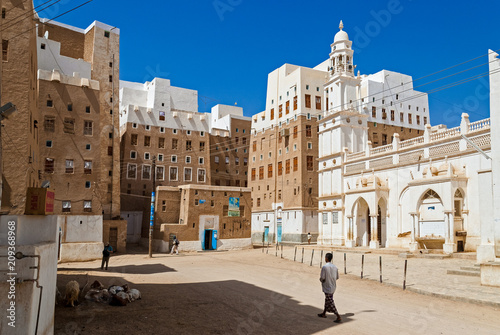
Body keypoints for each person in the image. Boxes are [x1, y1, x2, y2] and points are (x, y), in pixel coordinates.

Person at [318, 252, 341, 323]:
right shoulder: (335, 267)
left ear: (326, 258)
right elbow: (337, 277)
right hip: (333, 286)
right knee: (328, 299)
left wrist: (321, 280)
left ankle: (338, 316)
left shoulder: (324, 267)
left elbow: (322, 277)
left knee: (330, 301)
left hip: (327, 286)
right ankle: (324, 313)